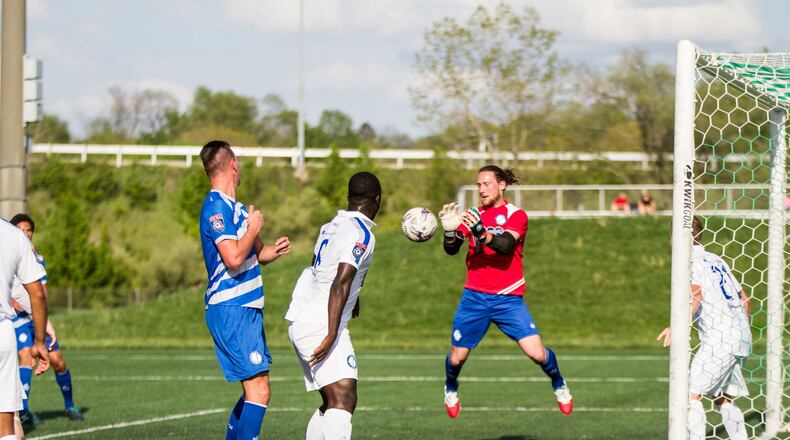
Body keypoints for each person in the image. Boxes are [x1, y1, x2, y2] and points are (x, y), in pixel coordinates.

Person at [438, 165, 573, 419]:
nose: (481, 189)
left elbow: (506, 245)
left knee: (537, 353)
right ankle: (451, 386)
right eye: (478, 185)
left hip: (507, 298)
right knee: (456, 359)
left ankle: (558, 383)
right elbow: (452, 249)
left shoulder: (516, 215)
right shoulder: (473, 215)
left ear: (502, 185)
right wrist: (448, 232)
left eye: (486, 184)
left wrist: (482, 233)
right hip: (474, 296)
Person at [198, 140, 292, 440]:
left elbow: (256, 254)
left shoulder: (236, 209)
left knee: (256, 390)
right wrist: (252, 227)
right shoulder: (215, 207)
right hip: (230, 308)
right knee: (259, 391)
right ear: (233, 164)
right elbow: (233, 257)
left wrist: (274, 249)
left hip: (246, 310)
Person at [285, 171, 381, 440]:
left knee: (333, 400)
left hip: (308, 318)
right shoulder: (362, 233)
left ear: (349, 198)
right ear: (378, 199)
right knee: (343, 398)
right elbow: (340, 281)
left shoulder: (332, 225)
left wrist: (354, 298)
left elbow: (329, 270)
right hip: (322, 324)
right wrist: (330, 334)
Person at [657, 216, 750, 440]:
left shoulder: (688, 261)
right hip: (740, 334)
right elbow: (744, 299)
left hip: (720, 338)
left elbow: (695, 294)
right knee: (723, 398)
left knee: (688, 394)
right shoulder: (716, 259)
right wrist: (739, 331)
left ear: (677, 236)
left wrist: (676, 326)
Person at [9, 214, 84, 424]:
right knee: (26, 355)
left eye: (28, 230)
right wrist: (13, 302)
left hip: (37, 319)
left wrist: (43, 316)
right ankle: (23, 411)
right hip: (16, 320)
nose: (25, 234)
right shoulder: (6, 255)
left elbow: (42, 293)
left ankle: (70, 405)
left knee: (58, 361)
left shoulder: (36, 258)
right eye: (20, 230)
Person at [0, 219, 50, 440]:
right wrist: (41, 338)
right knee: (7, 423)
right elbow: (35, 293)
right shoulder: (14, 235)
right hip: (2, 333)